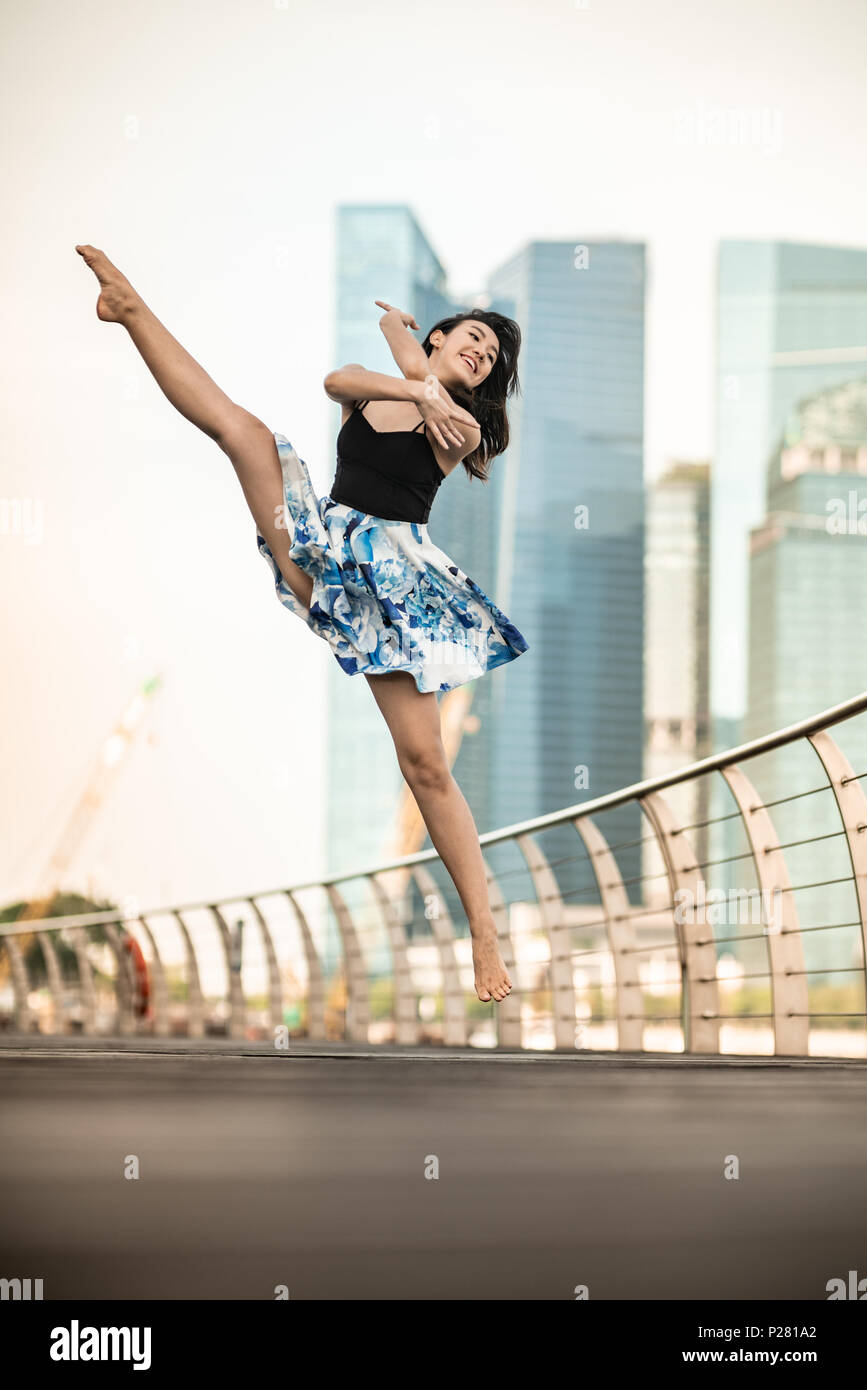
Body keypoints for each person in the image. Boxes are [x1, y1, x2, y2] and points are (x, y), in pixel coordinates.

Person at [74, 245, 528, 1003]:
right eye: (471, 339)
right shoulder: (385, 390)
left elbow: (436, 408)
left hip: (393, 586)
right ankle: (130, 310)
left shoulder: (461, 431)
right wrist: (402, 352)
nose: (482, 354)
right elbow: (336, 383)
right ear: (439, 339)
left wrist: (413, 354)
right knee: (242, 432)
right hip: (323, 542)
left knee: (425, 765)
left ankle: (483, 934)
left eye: (492, 358)